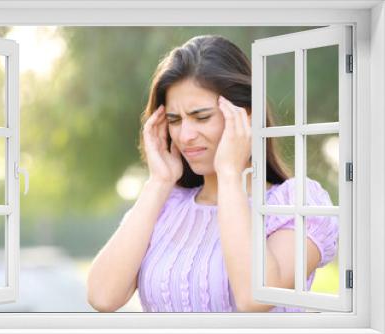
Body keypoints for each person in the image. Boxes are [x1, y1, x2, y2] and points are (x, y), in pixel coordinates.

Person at [87, 35, 338, 313]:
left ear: (247, 116)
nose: (185, 135)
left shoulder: (297, 205)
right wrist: (159, 182)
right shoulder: (167, 206)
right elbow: (102, 296)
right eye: (175, 120)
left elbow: (255, 297)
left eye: (201, 117)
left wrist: (230, 173)